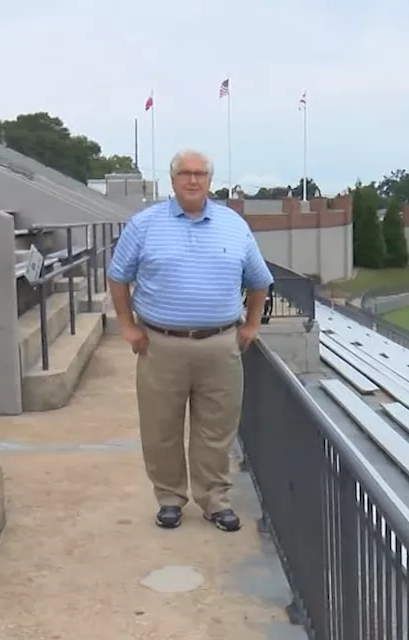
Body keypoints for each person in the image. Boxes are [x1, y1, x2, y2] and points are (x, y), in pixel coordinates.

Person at [106, 149, 274, 532]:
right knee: (160, 427)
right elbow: (118, 277)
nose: (193, 180)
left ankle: (215, 499)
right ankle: (169, 498)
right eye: (185, 173)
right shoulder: (144, 225)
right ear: (173, 179)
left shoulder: (234, 225)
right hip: (160, 344)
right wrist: (128, 327)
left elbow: (259, 281)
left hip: (220, 344)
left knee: (216, 429)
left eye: (200, 173)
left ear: (210, 181)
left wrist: (250, 326)